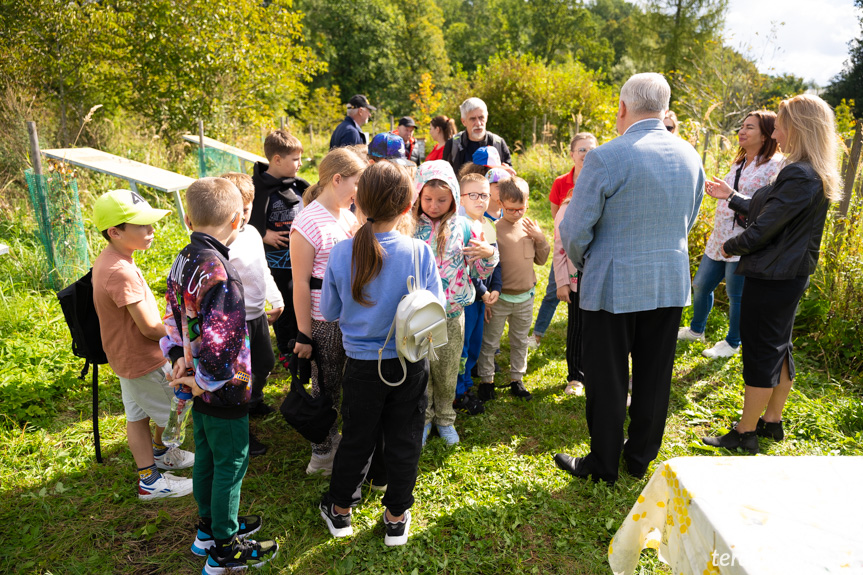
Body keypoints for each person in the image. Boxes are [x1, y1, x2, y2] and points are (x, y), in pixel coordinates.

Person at [555, 73, 704, 484]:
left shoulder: (607, 156)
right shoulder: (690, 154)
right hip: (668, 279)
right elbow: (687, 219)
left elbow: (575, 230)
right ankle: (639, 459)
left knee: (608, 378)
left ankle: (603, 464)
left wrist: (588, 262)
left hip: (613, 282)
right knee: (655, 375)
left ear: (622, 108)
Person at [702, 94, 840, 454]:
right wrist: (732, 198)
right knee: (780, 347)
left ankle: (745, 432)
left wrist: (730, 246)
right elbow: (771, 211)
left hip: (774, 276)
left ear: (798, 127)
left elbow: (765, 228)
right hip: (789, 275)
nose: (774, 130)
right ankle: (772, 421)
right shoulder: (810, 171)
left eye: (779, 122)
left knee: (762, 351)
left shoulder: (798, 173)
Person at [318, 161, 443, 547]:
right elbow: (436, 304)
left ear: (358, 201)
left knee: (357, 438)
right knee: (405, 439)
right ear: (408, 205)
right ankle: (396, 517)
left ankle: (339, 511)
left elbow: (329, 312)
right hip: (410, 363)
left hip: (361, 366)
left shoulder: (342, 253)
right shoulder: (418, 251)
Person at [162, 177, 278, 573]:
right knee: (231, 461)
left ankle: (208, 527)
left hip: (196, 381)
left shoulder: (183, 258)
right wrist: (205, 380)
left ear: (188, 218)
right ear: (236, 220)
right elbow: (221, 345)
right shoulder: (221, 274)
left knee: (207, 455)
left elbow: (172, 312)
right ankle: (225, 546)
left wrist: (178, 353)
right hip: (222, 388)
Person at [91, 189, 194, 501]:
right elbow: (150, 329)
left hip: (125, 358)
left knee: (137, 416)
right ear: (115, 232)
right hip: (144, 360)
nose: (152, 230)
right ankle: (152, 478)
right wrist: (187, 330)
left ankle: (156, 463)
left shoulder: (111, 259)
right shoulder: (121, 272)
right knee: (178, 409)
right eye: (143, 225)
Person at [678, 111, 783, 358]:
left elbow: (768, 207)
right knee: (701, 284)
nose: (742, 131)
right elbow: (731, 193)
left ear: (767, 134)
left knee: (736, 295)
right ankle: (696, 330)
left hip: (743, 241)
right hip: (719, 237)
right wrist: (718, 192)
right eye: (742, 126)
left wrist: (730, 196)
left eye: (750, 127)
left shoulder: (776, 166)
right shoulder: (738, 162)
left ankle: (733, 342)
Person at [413, 160, 498, 445]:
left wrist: (489, 256)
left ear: (453, 198)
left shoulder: (463, 227)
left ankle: (445, 417)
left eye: (442, 199)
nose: (434, 205)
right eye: (427, 199)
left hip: (452, 313)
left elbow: (477, 272)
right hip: (418, 315)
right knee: (422, 370)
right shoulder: (409, 226)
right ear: (417, 195)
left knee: (448, 369)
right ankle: (424, 418)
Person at [291, 148, 365, 475]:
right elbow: (301, 283)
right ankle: (321, 454)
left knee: (346, 381)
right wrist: (305, 333)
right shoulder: (307, 222)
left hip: (350, 317)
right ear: (337, 179)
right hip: (323, 321)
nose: (359, 193)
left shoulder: (346, 215)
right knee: (326, 384)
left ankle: (339, 438)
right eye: (357, 184)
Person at [221, 172, 285, 456]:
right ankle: (240, 425)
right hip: (236, 322)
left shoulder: (253, 234)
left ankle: (254, 399)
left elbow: (263, 270)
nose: (242, 217)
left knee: (265, 362)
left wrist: (275, 297)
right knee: (239, 376)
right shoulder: (222, 242)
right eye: (237, 211)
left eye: (247, 210)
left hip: (257, 315)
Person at [476, 177, 550, 401]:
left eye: (521, 209)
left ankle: (517, 379)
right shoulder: (492, 230)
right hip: (499, 299)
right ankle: (486, 380)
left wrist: (540, 239)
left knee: (520, 340)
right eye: (511, 209)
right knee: (490, 341)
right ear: (500, 203)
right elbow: (485, 269)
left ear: (527, 204)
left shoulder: (530, 228)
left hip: (524, 298)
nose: (517, 213)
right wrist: (485, 298)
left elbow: (541, 259)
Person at [529, 133, 598, 350]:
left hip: (591, 252)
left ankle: (586, 340)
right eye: (582, 150)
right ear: (571, 154)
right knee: (553, 290)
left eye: (591, 149)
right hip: (565, 249)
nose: (587, 154)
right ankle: (537, 334)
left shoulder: (599, 180)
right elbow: (557, 216)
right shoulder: (561, 182)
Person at [250, 130, 308, 370]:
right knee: (282, 305)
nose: (300, 164)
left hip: (300, 260)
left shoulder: (298, 186)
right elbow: (245, 220)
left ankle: (301, 342)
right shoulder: (257, 188)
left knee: (300, 303)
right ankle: (285, 348)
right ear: (276, 159)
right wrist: (264, 234)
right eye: (295, 159)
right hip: (274, 264)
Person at [455, 173, 502, 412]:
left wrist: (496, 288)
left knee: (475, 342)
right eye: (472, 195)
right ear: (461, 198)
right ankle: (459, 391)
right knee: (461, 345)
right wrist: (483, 291)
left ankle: (467, 384)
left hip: (483, 296)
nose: (479, 200)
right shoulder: (460, 226)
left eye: (484, 195)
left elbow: (496, 261)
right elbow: (466, 269)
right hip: (466, 298)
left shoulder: (488, 225)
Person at [553, 194, 584, 396]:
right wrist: (562, 281)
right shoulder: (568, 207)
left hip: (605, 275)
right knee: (577, 328)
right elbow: (559, 247)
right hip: (577, 278)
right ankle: (576, 377)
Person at [443, 97, 512, 175]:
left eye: (481, 117)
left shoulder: (498, 143)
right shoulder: (453, 144)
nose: (478, 123)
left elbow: (508, 179)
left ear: (487, 118)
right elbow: (445, 177)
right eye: (473, 119)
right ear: (463, 121)